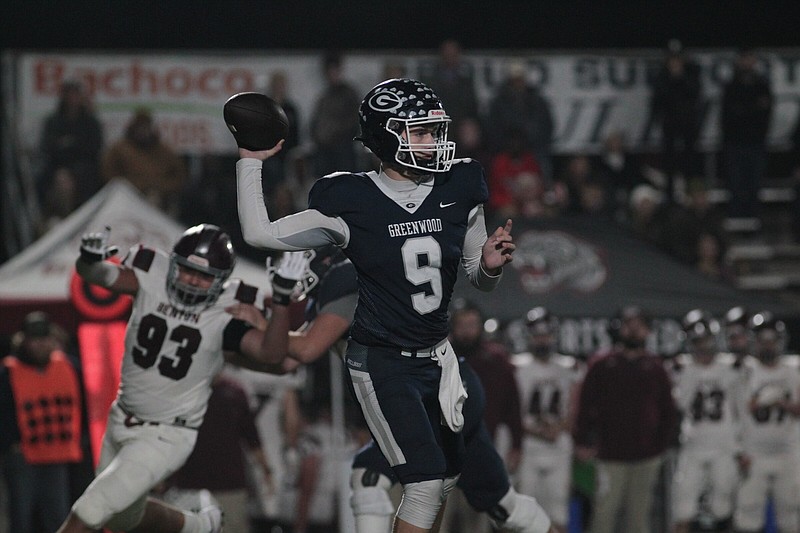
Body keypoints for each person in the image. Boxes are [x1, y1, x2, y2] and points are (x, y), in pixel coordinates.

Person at [233, 77, 516, 533]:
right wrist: (250, 162)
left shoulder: (460, 183)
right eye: (420, 132)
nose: (435, 141)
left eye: (435, 129)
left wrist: (490, 264)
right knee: (423, 484)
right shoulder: (350, 199)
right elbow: (260, 233)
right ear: (387, 136)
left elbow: (479, 279)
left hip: (440, 358)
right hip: (383, 362)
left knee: (440, 482)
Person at [232, 247, 553, 533]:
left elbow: (306, 349)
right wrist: (245, 345)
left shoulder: (346, 280)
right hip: (446, 392)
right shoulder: (342, 284)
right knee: (504, 505)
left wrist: (261, 326)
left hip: (434, 397)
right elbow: (286, 361)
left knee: (370, 476)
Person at [55, 223, 301, 533]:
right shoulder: (151, 278)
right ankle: (198, 525)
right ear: (172, 265)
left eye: (205, 276)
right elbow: (99, 275)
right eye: (186, 270)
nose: (194, 281)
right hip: (121, 418)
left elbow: (272, 354)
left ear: (221, 281)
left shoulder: (227, 311)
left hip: (167, 434)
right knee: (121, 519)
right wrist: (88, 261)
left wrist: (280, 302)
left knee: (90, 509)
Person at [573, 305, 678, 533]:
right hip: (609, 455)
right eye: (628, 324)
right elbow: (585, 406)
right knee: (603, 515)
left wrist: (659, 447)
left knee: (638, 519)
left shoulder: (656, 367)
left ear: (648, 331)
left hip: (646, 456)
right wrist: (583, 441)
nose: (632, 330)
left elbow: (668, 412)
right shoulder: (601, 364)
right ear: (619, 328)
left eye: (638, 325)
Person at [0, 312, 84, 533]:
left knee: (58, 517)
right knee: (20, 516)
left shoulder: (68, 366)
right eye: (35, 339)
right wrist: (9, 444)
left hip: (58, 454)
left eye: (45, 339)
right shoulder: (8, 372)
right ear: (24, 340)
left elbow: (85, 401)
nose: (40, 345)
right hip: (21, 457)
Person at [165, 371, 273, 533]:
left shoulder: (235, 392)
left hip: (229, 486)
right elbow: (169, 436)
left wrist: (266, 471)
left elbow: (252, 438)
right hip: (189, 484)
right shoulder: (184, 391)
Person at [669, 310, 743, 533]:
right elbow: (679, 405)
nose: (703, 347)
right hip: (694, 445)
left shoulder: (732, 367)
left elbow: (741, 409)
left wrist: (740, 444)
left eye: (706, 341)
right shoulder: (681, 369)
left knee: (724, 505)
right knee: (683, 506)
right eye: (698, 342)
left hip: (724, 446)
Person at [512, 307, 582, 533]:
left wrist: (559, 427)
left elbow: (574, 407)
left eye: (547, 334)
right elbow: (510, 411)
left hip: (558, 446)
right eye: (538, 334)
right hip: (528, 447)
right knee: (523, 514)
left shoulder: (568, 367)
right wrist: (536, 431)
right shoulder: (516, 367)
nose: (542, 339)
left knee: (557, 512)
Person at [734, 311, 800, 533]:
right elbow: (740, 410)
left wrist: (780, 401)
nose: (767, 346)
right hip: (754, 453)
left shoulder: (793, 370)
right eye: (762, 340)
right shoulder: (744, 371)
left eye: (772, 340)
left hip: (787, 452)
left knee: (790, 515)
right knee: (748, 515)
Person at [100, 107, 188, 216]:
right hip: (127, 195)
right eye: (140, 127)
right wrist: (128, 187)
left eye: (146, 127)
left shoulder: (164, 151)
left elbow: (179, 175)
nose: (143, 131)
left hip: (158, 196)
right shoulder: (120, 149)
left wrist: (161, 187)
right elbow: (109, 173)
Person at [720, 47, 773, 220]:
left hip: (756, 143)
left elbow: (765, 113)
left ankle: (754, 224)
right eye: (744, 58)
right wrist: (752, 109)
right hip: (735, 143)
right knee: (735, 186)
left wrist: (744, 111)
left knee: (754, 186)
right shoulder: (731, 86)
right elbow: (729, 116)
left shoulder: (762, 85)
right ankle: (736, 222)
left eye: (750, 58)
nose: (747, 62)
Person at [648, 39, 703, 202]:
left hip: (688, 126)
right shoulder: (661, 76)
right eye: (672, 58)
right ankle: (670, 199)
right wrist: (672, 78)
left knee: (691, 163)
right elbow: (658, 101)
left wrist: (680, 77)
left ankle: (692, 197)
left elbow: (695, 93)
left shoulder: (692, 72)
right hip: (670, 126)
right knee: (669, 164)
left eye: (678, 58)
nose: (675, 62)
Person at [38, 79, 104, 205]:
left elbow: (93, 147)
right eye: (69, 95)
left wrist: (69, 145)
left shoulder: (90, 122)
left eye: (75, 95)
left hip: (85, 168)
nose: (72, 99)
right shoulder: (54, 122)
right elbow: (49, 147)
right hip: (57, 166)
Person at [309, 52, 362, 177]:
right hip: (325, 146)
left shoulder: (349, 94)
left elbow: (355, 120)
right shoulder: (324, 97)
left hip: (343, 144)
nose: (332, 74)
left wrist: (333, 133)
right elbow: (315, 123)